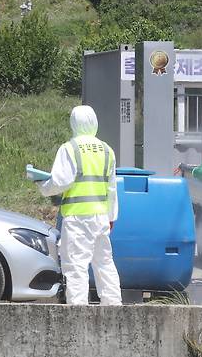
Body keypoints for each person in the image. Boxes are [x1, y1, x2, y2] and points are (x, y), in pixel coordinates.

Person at [38, 105, 122, 305]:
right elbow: (111, 189)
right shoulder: (107, 150)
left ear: (73, 123)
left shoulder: (70, 148)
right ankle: (114, 306)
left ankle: (78, 311)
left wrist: (42, 185)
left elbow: (60, 181)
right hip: (101, 217)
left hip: (77, 218)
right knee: (104, 263)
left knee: (76, 266)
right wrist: (111, 217)